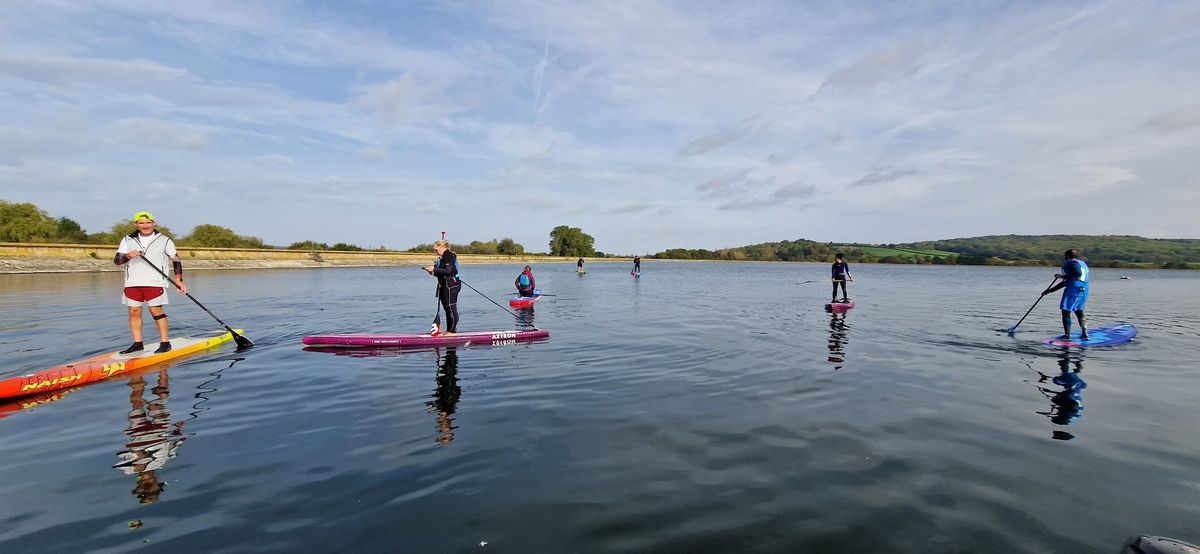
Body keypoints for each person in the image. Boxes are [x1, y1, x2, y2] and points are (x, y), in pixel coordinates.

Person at [115, 211, 186, 354]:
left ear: (154, 223)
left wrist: (179, 280)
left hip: (155, 281)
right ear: (136, 224)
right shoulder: (127, 239)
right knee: (133, 311)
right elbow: (117, 261)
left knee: (155, 310)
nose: (145, 225)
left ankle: (165, 343)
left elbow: (176, 260)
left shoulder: (165, 240)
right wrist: (129, 255)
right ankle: (137, 343)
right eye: (141, 223)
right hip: (132, 281)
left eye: (148, 222)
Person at [1043, 249, 1090, 340]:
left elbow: (1077, 274)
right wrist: (1049, 291)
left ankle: (1067, 335)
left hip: (1073, 291)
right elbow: (1068, 281)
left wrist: (1062, 276)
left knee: (1065, 311)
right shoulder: (1082, 263)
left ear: (1068, 256)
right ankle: (1085, 333)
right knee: (1079, 311)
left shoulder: (1069, 263)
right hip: (1084, 290)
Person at [423, 240, 461, 335]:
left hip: (451, 284)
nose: (435, 252)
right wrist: (432, 272)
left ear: (441, 246)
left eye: (436, 250)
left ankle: (452, 331)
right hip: (445, 284)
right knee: (447, 308)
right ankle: (450, 330)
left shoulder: (448, 255)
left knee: (451, 308)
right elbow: (442, 273)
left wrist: (434, 269)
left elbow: (448, 271)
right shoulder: (443, 257)